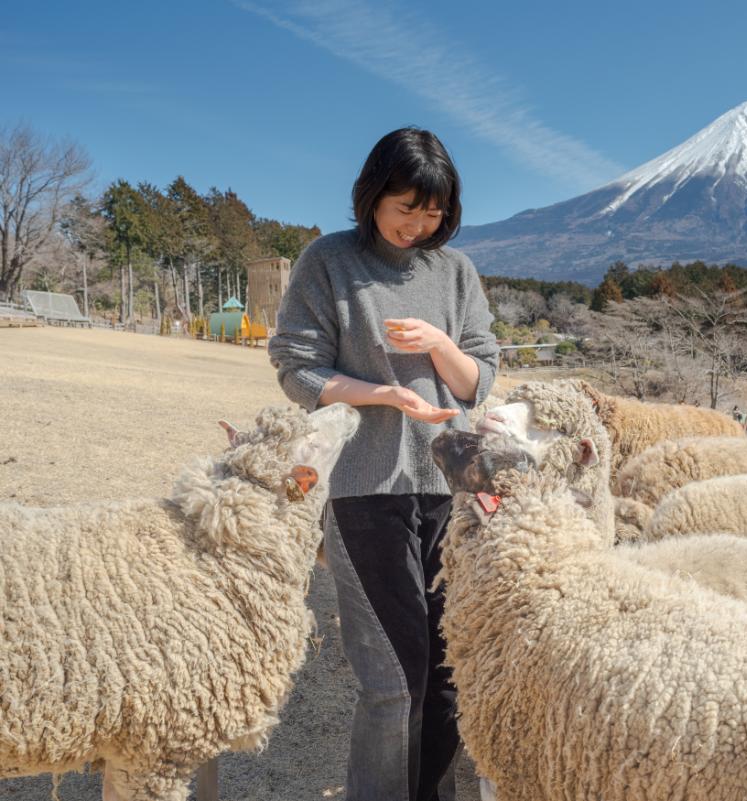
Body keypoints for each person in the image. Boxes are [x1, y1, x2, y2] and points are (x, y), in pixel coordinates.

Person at [268, 128, 499, 801]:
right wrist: (383, 395)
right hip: (365, 491)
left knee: (451, 674)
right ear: (372, 196)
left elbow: (477, 380)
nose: (419, 225)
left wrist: (437, 345)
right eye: (406, 208)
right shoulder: (329, 262)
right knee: (395, 680)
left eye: (434, 213)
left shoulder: (455, 272)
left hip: (451, 495)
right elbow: (296, 367)